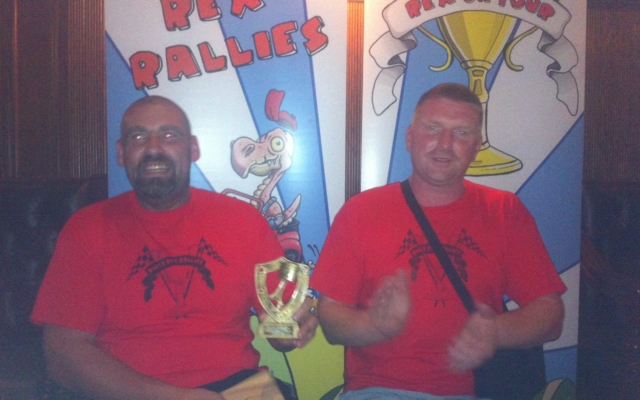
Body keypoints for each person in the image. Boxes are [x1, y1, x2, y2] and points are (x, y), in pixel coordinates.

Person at [31, 96, 317, 400]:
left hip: (238, 389)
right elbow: (62, 355)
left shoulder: (245, 220)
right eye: (138, 137)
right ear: (121, 153)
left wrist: (289, 330)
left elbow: (278, 325)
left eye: (169, 135)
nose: (153, 148)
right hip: (126, 393)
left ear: (193, 149)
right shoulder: (86, 228)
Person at [311, 83, 567, 399]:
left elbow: (550, 316)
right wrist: (375, 325)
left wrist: (496, 333)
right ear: (410, 138)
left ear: (476, 147)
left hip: (476, 390)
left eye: (461, 133)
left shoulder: (504, 211)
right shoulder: (360, 211)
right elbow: (331, 319)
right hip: (379, 390)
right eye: (433, 128)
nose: (445, 144)